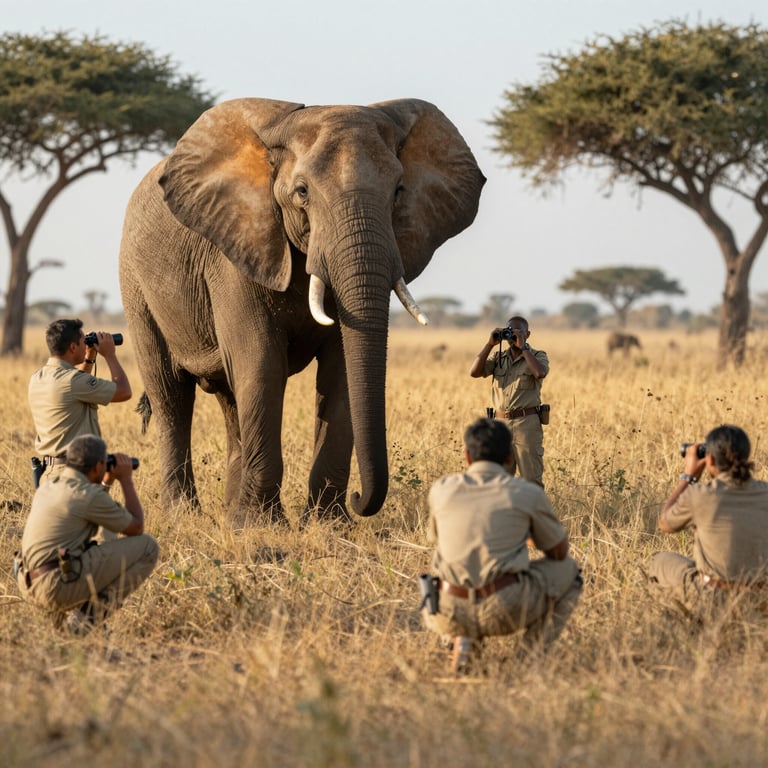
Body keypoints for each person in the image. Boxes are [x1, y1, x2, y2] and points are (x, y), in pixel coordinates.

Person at [422, 418, 582, 672]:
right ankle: (526, 660)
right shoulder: (526, 492)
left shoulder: (441, 489)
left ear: (467, 456)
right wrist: (526, 533)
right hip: (504, 607)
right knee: (571, 572)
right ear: (510, 457)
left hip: (445, 610)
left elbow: (438, 539)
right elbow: (558, 552)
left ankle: (458, 640)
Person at [16, 434, 158, 634]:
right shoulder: (87, 496)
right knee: (148, 547)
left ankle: (64, 625)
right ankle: (85, 623)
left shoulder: (49, 485)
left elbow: (91, 505)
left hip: (28, 585)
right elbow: (136, 528)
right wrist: (126, 480)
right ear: (99, 466)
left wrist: (106, 482)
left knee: (87, 550)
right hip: (54, 587)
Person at [649, 424, 768, 607]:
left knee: (661, 561)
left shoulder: (702, 494)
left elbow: (666, 523)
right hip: (761, 597)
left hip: (715, 597)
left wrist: (689, 476)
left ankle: (676, 620)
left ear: (710, 460)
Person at [28, 318, 131, 485]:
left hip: (50, 475)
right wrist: (110, 355)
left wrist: (89, 357)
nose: (86, 345)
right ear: (73, 347)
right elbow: (124, 392)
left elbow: (75, 387)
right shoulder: (72, 381)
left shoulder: (38, 377)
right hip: (76, 476)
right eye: (84, 342)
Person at [470, 315, 549, 486]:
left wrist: (524, 347)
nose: (513, 335)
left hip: (526, 424)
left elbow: (540, 372)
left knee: (531, 481)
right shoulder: (499, 357)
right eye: (509, 331)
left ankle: (531, 512)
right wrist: (490, 344)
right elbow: (474, 372)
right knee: (499, 481)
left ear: (528, 334)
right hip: (499, 426)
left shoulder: (537, 355)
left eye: (518, 332)